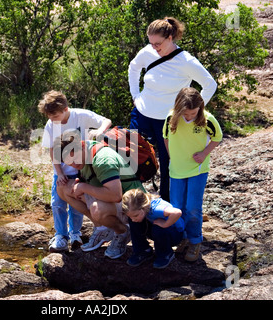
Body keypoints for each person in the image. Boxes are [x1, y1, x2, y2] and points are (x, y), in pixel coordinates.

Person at [128, 17, 217, 202]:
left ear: (170, 37)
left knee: (168, 163)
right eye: (151, 43)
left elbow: (210, 84)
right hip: (142, 114)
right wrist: (135, 95)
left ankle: (167, 206)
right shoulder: (147, 52)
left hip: (167, 120)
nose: (154, 47)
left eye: (158, 43)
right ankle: (132, 202)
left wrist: (193, 112)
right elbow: (134, 67)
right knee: (128, 156)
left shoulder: (186, 61)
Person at [38, 90, 112, 252]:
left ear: (65, 109)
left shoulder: (81, 115)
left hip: (82, 170)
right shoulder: (51, 124)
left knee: (77, 205)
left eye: (55, 116)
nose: (52, 120)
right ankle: (60, 235)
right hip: (62, 171)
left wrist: (99, 132)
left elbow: (106, 121)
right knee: (57, 203)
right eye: (49, 117)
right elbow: (52, 150)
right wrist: (59, 173)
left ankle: (75, 234)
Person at [55, 130, 145, 259]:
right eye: (69, 162)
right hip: (112, 199)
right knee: (62, 188)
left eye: (75, 158)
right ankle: (102, 228)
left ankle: (123, 232)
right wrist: (80, 184)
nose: (74, 164)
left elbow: (116, 196)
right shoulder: (84, 154)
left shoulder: (103, 159)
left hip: (133, 204)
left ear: (81, 145)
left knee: (97, 209)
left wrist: (83, 187)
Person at [163, 87, 223, 262]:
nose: (189, 117)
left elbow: (217, 137)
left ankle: (195, 240)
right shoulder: (170, 118)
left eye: (193, 113)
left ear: (200, 108)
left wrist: (204, 153)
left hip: (197, 170)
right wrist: (171, 156)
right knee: (177, 207)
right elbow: (166, 137)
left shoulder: (207, 119)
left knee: (193, 208)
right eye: (186, 114)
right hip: (176, 170)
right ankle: (183, 238)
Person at [122, 188, 184, 269]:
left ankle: (165, 253)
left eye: (135, 215)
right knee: (133, 222)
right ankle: (143, 250)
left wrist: (165, 224)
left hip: (174, 234)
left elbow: (177, 212)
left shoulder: (155, 209)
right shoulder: (142, 208)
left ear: (143, 207)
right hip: (158, 229)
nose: (133, 218)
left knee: (158, 228)